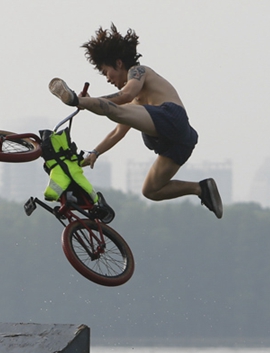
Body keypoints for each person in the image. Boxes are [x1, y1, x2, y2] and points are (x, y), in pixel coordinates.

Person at [49, 24, 223, 219]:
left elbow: (125, 95)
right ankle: (201, 189)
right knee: (151, 190)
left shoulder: (138, 71)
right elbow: (118, 132)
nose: (108, 78)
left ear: (119, 63)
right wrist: (95, 153)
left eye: (107, 72)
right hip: (178, 143)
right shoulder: (132, 106)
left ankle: (75, 98)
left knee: (118, 110)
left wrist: (86, 102)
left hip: (172, 118)